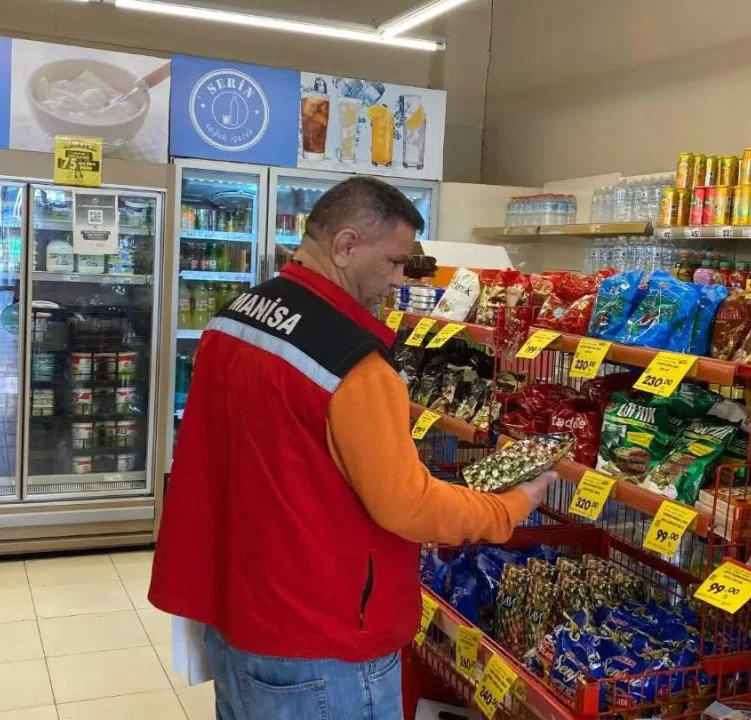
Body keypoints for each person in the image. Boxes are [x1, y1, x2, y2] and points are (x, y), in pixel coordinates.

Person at [149, 176, 556, 719]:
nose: (399, 279)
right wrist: (509, 507)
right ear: (345, 246)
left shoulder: (235, 317)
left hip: (236, 614)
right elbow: (407, 506)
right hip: (323, 641)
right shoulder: (353, 364)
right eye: (395, 262)